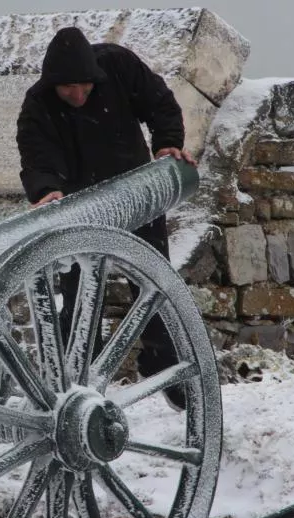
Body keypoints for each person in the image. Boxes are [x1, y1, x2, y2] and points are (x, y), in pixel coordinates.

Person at [15, 26, 196, 410]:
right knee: (78, 299)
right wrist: (47, 190)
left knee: (153, 286)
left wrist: (168, 142)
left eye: (85, 87)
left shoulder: (118, 65)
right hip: (81, 210)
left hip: (137, 194)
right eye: (68, 89)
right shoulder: (37, 106)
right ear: (53, 85)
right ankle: (74, 385)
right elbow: (37, 158)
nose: (78, 95)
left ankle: (168, 370)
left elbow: (160, 103)